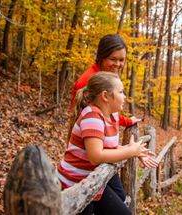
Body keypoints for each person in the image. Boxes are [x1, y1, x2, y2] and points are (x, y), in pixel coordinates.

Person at [58, 72, 158, 214]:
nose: (124, 97)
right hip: (75, 184)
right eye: (121, 92)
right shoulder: (92, 117)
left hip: (93, 181)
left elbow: (108, 146)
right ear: (105, 96)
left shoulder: (111, 116)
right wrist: (130, 151)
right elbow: (96, 156)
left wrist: (136, 151)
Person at [70, 34, 137, 127]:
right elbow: (88, 119)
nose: (117, 64)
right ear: (101, 57)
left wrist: (127, 121)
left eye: (121, 60)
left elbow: (107, 110)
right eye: (113, 59)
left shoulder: (107, 76)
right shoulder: (90, 81)